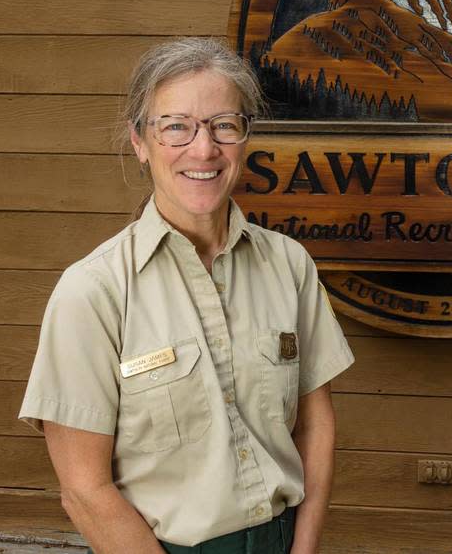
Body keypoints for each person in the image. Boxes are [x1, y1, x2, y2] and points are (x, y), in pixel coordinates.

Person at [20, 38, 354, 554]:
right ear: (139, 142)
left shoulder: (289, 265)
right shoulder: (93, 292)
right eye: (176, 126)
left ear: (246, 138)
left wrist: (303, 549)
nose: (203, 149)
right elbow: (85, 492)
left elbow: (316, 427)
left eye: (224, 124)